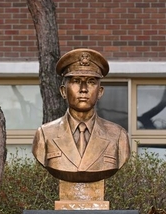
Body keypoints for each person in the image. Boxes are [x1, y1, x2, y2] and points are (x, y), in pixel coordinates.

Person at [32, 48, 130, 183]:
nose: (83, 89)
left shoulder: (118, 136)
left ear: (100, 92)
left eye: (91, 82)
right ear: (63, 91)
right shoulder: (44, 134)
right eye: (76, 81)